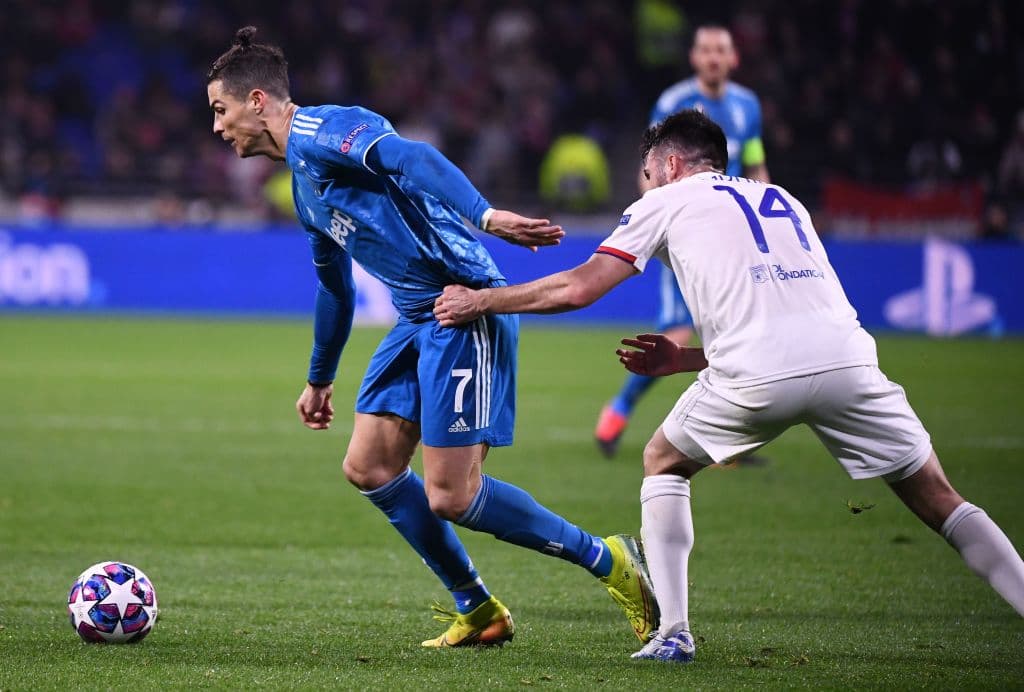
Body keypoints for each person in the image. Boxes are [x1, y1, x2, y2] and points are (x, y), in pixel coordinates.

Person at [434, 109, 1024, 662]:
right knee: (941, 498)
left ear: (668, 166)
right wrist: (688, 357)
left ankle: (673, 633)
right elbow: (791, 311)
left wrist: (481, 300)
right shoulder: (783, 198)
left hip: (757, 376)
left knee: (662, 460)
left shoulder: (665, 201)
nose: (644, 187)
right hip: (848, 362)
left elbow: (579, 288)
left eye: (645, 175)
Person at [205, 27, 658, 648]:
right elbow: (334, 289)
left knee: (452, 494)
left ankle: (611, 560)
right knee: (368, 465)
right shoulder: (303, 186)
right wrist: (318, 377)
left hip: (462, 306)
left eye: (219, 109)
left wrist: (486, 215)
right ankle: (478, 608)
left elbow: (410, 157)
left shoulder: (323, 130)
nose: (216, 126)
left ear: (257, 101)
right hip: (417, 316)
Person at [595, 24, 769, 458]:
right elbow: (650, 167)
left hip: (732, 237)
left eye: (721, 50)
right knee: (677, 329)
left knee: (737, 330)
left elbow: (755, 163)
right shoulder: (673, 103)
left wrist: (763, 211)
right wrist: (660, 223)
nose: (713, 57)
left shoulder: (748, 106)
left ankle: (734, 436)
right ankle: (617, 410)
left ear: (733, 58)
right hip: (689, 235)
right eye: (706, 50)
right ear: (694, 58)